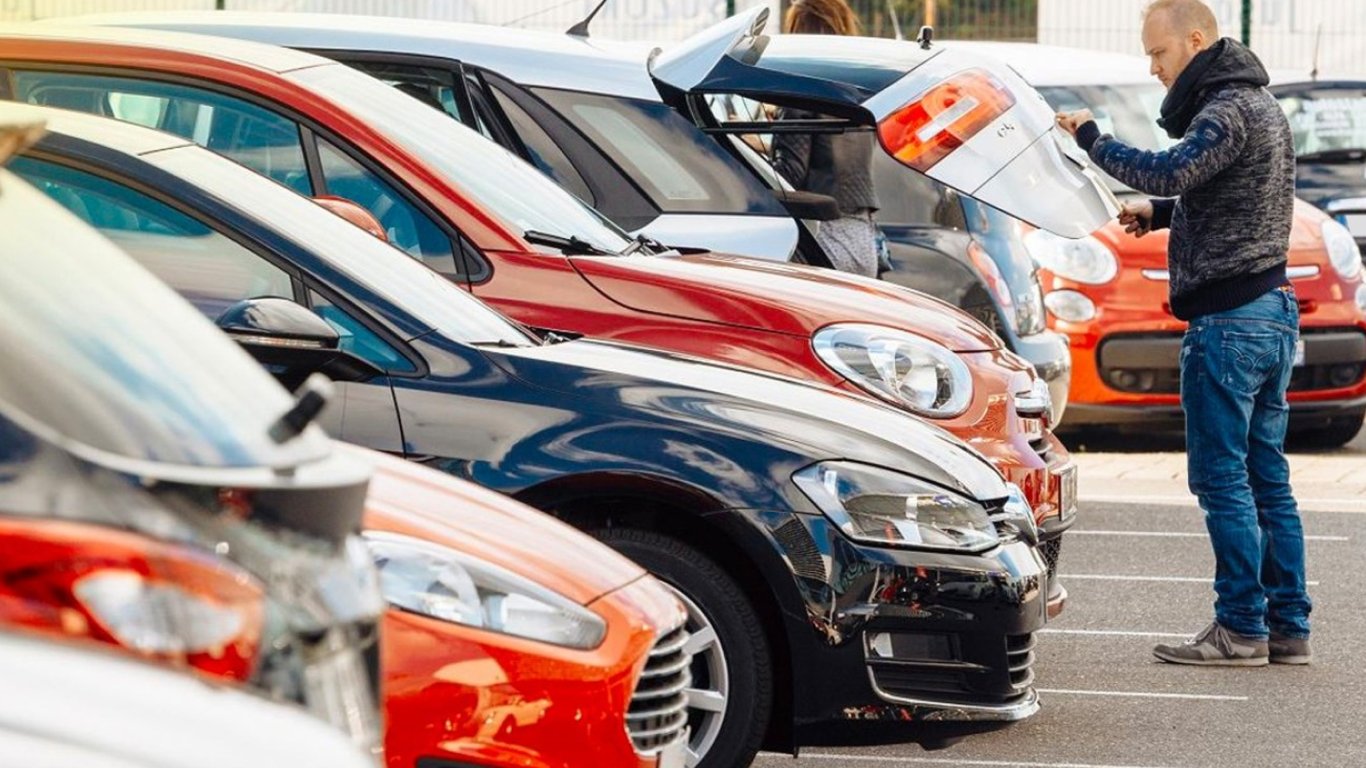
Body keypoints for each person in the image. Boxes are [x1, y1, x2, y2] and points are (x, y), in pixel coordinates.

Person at [1057, 0, 1311, 667]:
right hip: (1270, 309)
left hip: (1230, 323)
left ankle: (1241, 628)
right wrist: (1164, 214)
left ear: (1195, 40)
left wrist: (1092, 138)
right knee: (1267, 478)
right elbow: (1232, 195)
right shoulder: (1259, 105)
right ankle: (1287, 628)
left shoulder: (1225, 109)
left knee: (1223, 480)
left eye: (1159, 52)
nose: (1154, 67)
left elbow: (1169, 169)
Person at [768, 0, 882, 277]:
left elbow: (788, 176)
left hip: (823, 242)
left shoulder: (801, 93)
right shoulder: (855, 94)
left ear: (798, 35)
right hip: (863, 242)